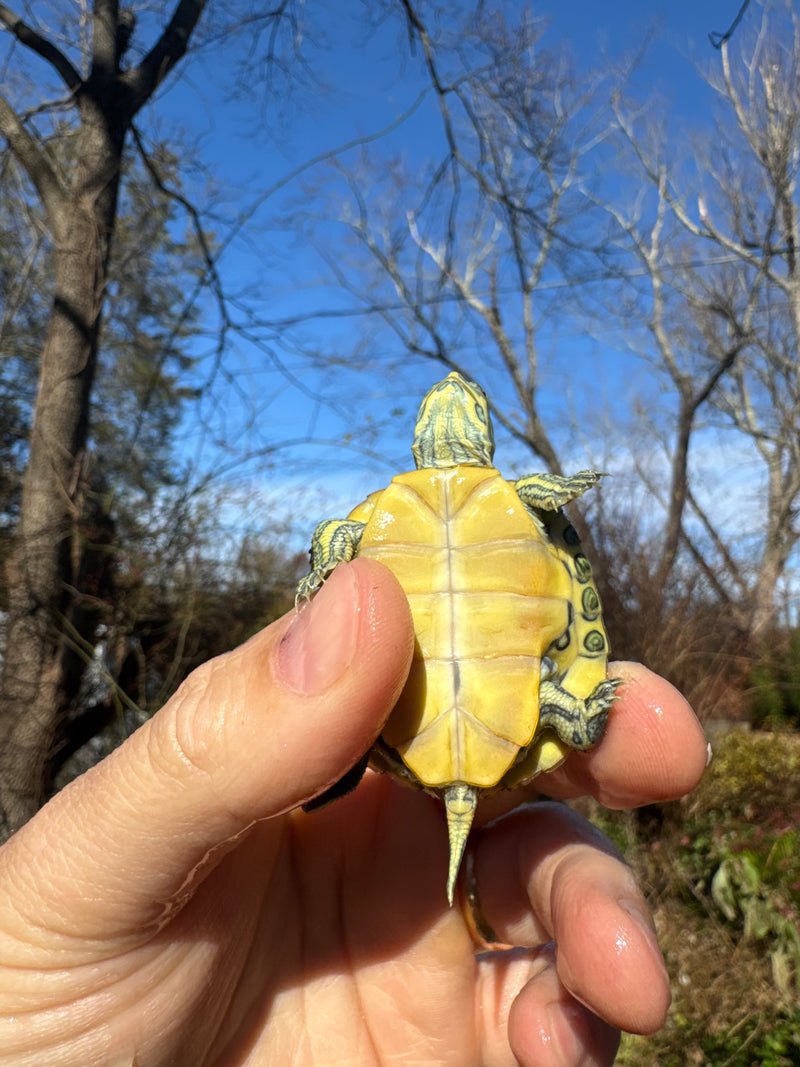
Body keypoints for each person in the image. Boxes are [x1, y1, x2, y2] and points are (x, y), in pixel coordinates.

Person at [0, 559, 708, 1066]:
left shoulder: (402, 514)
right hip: (517, 708)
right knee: (569, 714)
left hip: (418, 725)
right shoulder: (513, 512)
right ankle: (559, 710)